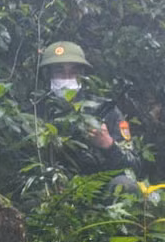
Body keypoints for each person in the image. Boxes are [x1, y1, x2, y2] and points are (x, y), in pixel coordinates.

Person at [34, 40, 140, 194]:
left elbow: (134, 165)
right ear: (48, 75)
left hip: (100, 191)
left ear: (82, 76)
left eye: (73, 72)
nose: (67, 78)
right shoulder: (36, 112)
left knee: (125, 184)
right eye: (59, 71)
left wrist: (108, 145)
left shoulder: (108, 111)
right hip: (51, 189)